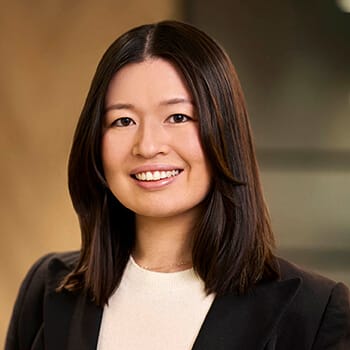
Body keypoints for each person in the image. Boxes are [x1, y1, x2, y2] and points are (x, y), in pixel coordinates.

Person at [5, 20, 350, 350]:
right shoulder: (48, 289)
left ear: (225, 132)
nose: (148, 145)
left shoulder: (315, 311)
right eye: (123, 120)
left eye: (178, 117)